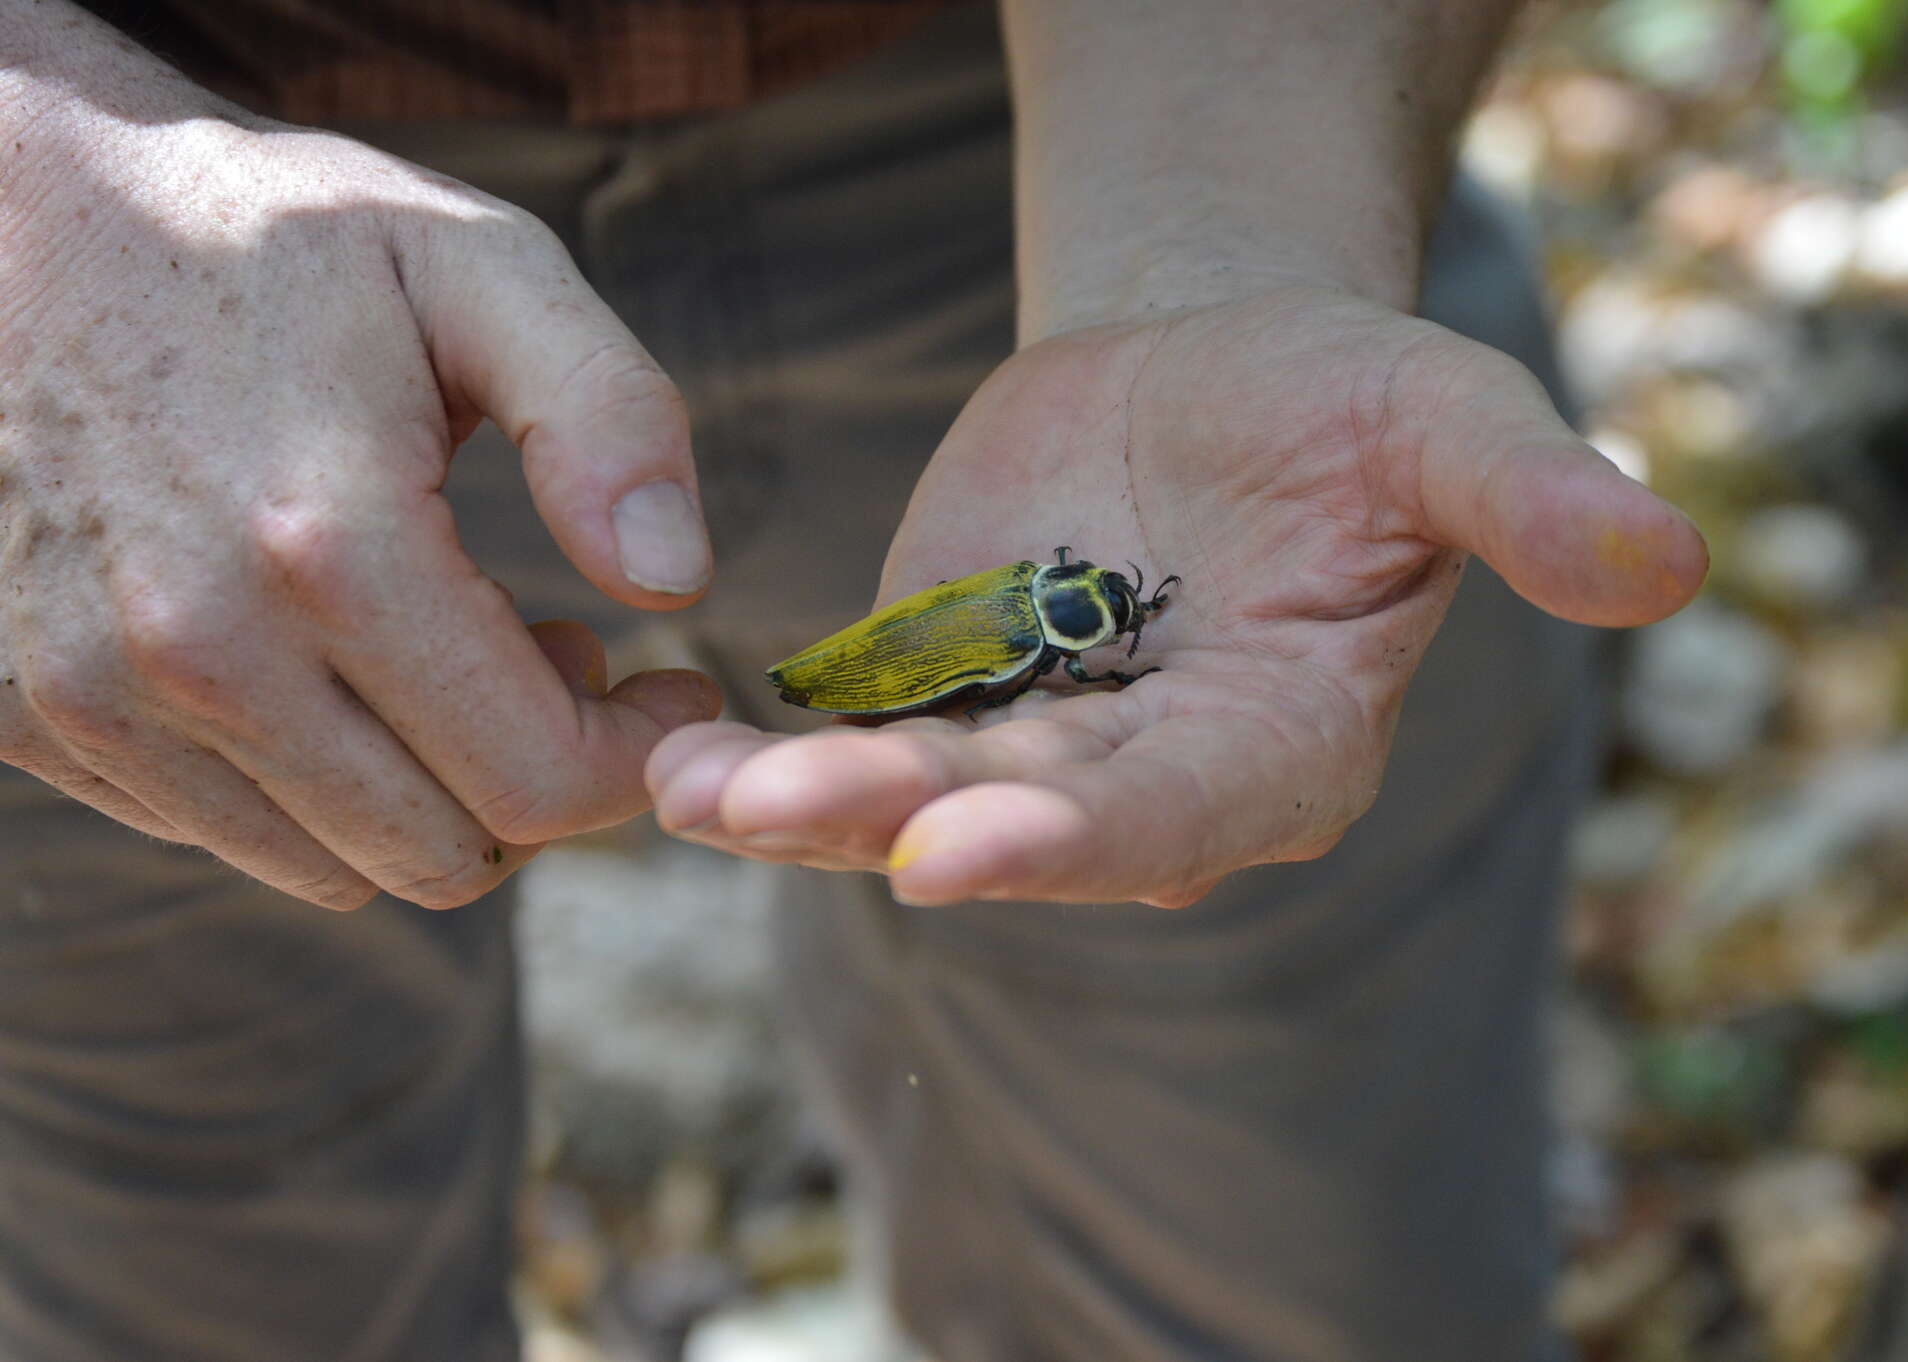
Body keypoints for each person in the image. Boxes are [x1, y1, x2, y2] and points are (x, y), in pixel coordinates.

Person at [0, 2, 1707, 1360]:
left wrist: (1237, 260)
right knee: (189, 1287)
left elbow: (1058, 642)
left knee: (1304, 1266)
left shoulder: (1067, 606)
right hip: (114, 223)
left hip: (1059, 124)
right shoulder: (1051, 616)